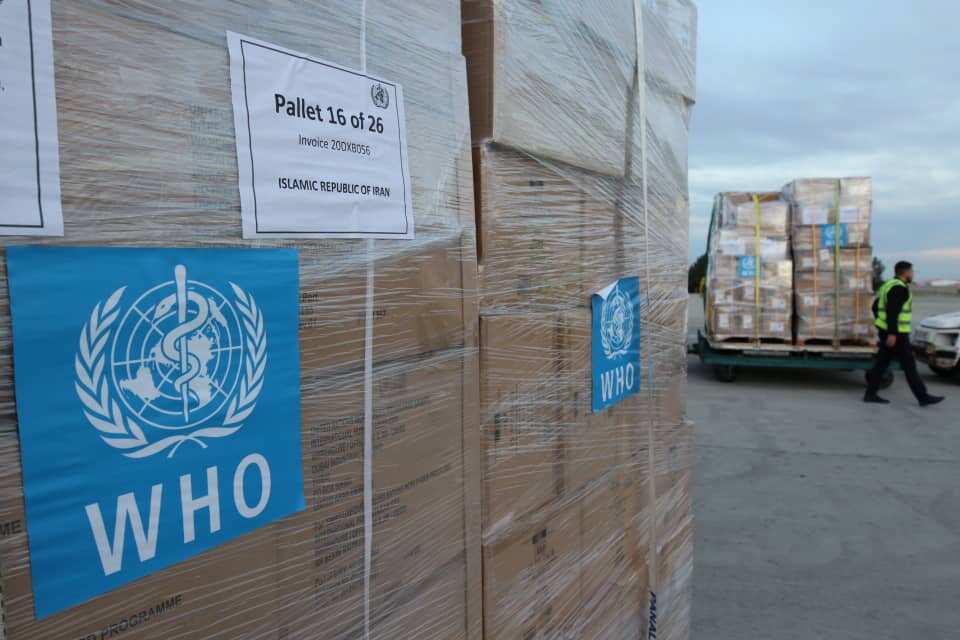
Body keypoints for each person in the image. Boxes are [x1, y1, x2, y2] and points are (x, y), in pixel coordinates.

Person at [864, 261, 944, 406]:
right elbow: (892, 312)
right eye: (912, 271)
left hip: (888, 332)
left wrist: (881, 325)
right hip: (897, 335)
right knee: (909, 366)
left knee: (881, 364)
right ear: (905, 273)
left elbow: (875, 306)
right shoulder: (899, 289)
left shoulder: (887, 285)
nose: (913, 274)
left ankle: (870, 394)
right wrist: (892, 333)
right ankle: (923, 397)